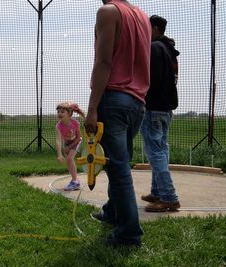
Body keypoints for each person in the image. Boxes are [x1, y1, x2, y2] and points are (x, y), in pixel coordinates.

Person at [84, 0, 151, 247]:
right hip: (137, 102)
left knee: (119, 169)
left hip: (113, 99)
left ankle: (128, 235)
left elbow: (104, 62)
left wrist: (92, 109)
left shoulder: (107, 12)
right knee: (118, 164)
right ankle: (112, 212)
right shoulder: (142, 17)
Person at [140, 15, 181, 212]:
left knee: (155, 152)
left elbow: (149, 79)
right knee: (161, 151)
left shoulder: (155, 48)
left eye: (147, 28)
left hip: (153, 108)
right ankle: (157, 192)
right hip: (165, 109)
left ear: (155, 28)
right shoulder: (168, 50)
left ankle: (169, 197)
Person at [55, 101, 86, 191]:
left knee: (69, 159)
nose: (59, 114)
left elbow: (78, 138)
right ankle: (75, 180)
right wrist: (59, 155)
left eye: (62, 112)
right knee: (69, 162)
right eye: (58, 112)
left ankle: (75, 181)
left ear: (69, 113)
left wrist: (70, 147)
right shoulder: (58, 126)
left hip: (76, 142)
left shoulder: (76, 123)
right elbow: (58, 141)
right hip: (67, 143)